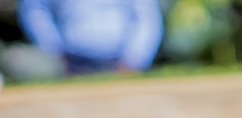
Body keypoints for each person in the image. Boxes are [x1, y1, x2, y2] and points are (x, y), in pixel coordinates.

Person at [18, 0, 163, 76]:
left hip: (122, 64)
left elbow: (146, 16)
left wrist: (134, 61)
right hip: (69, 64)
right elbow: (35, 11)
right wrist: (55, 51)